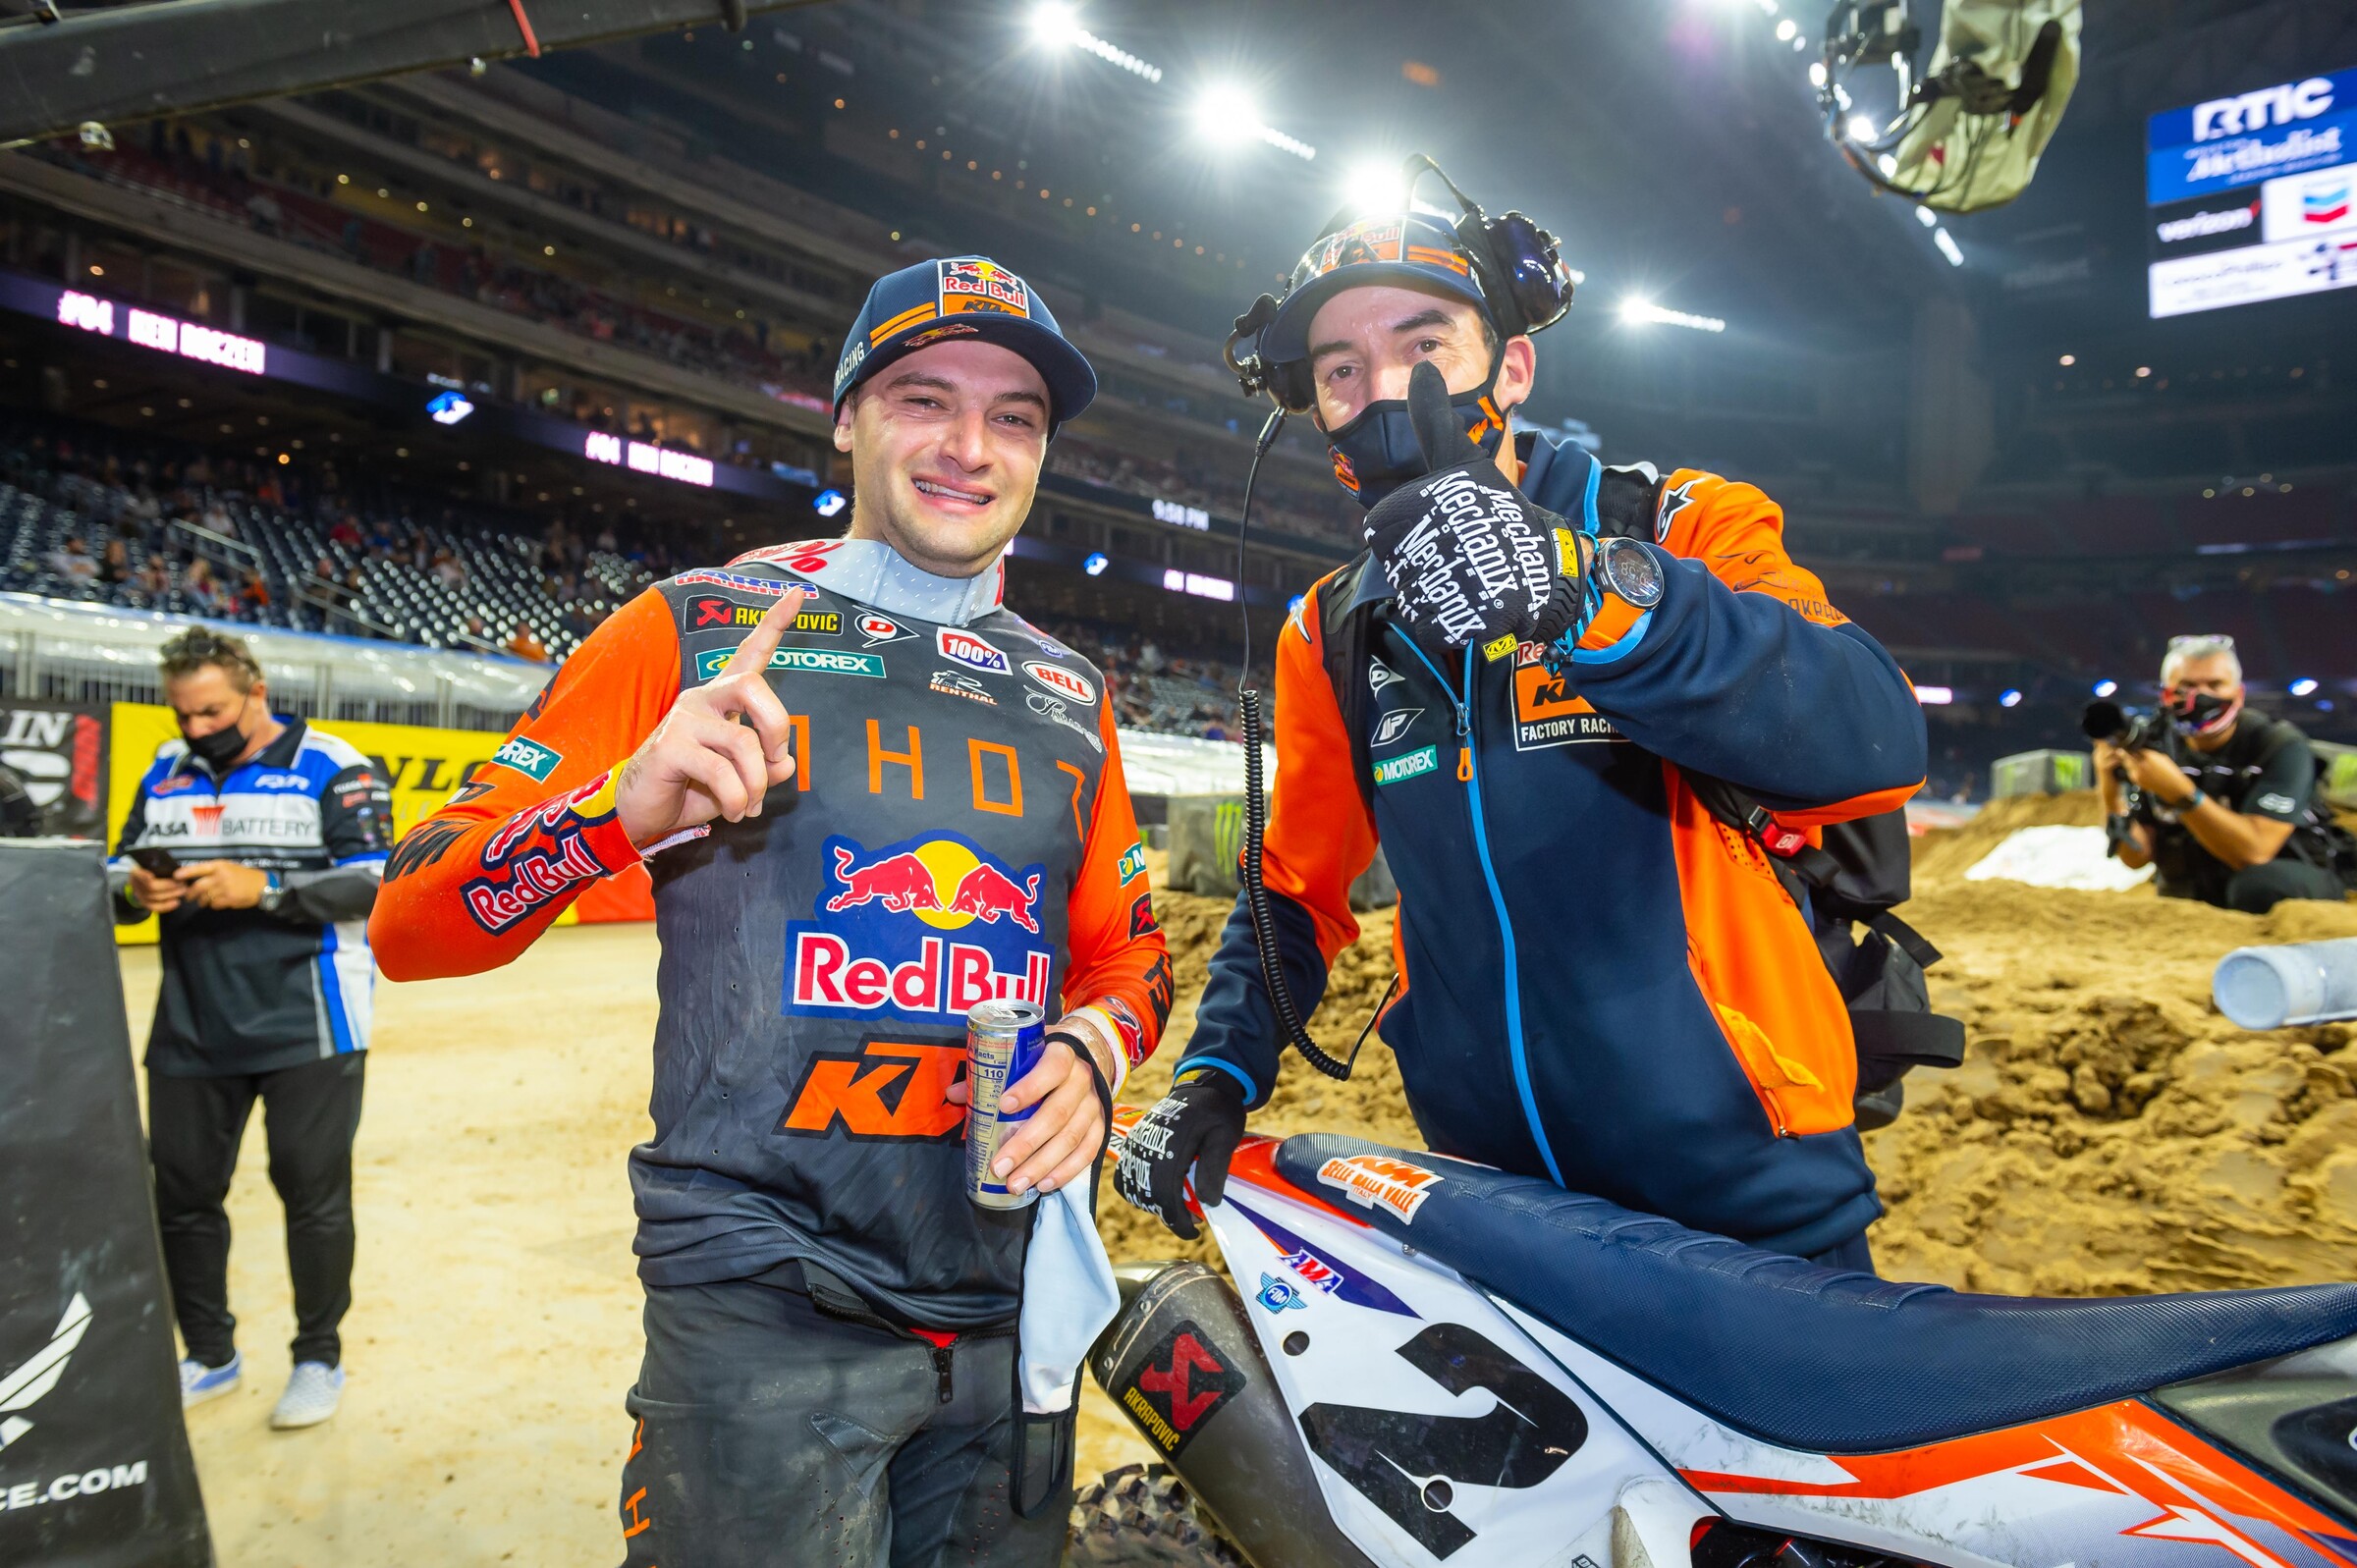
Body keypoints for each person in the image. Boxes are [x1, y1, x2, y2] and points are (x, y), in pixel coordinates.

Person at [370, 254, 1172, 1568]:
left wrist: (1094, 1049)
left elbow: (1127, 958)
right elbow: (409, 926)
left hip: (1005, 1322)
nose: (971, 446)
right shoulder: (691, 629)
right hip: (760, 1319)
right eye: (924, 398)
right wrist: (612, 817)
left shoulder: (1072, 691)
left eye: (1014, 415)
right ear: (846, 417)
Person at [1117, 183, 1927, 1271]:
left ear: (1512, 368)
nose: (1386, 392)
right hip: (1497, 1202)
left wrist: (1587, 591)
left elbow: (1872, 743)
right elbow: (1293, 897)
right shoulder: (1332, 628)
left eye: (1425, 344)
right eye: (1340, 370)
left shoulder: (1678, 526)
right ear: (1312, 405)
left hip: (1757, 1195)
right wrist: (1216, 1076)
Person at [110, 627, 393, 1428]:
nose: (197, 729)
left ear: (256, 691)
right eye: (184, 715)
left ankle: (317, 1358)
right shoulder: (164, 772)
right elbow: (116, 870)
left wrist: (262, 886)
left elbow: (377, 881)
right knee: (184, 1196)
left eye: (211, 711)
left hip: (311, 1022)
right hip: (191, 1024)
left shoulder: (335, 766)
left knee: (311, 1194)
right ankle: (208, 1352)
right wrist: (136, 890)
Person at [2098, 634, 2353, 912]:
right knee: (2177, 887)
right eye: (2187, 686)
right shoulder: (2158, 746)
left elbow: (2256, 852)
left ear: (2239, 694)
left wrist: (2180, 794)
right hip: (2202, 889)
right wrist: (2109, 787)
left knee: (2257, 886)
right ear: (2166, 694)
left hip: (2290, 873)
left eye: (2215, 684)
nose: (2201, 696)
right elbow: (2135, 857)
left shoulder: (2279, 745)